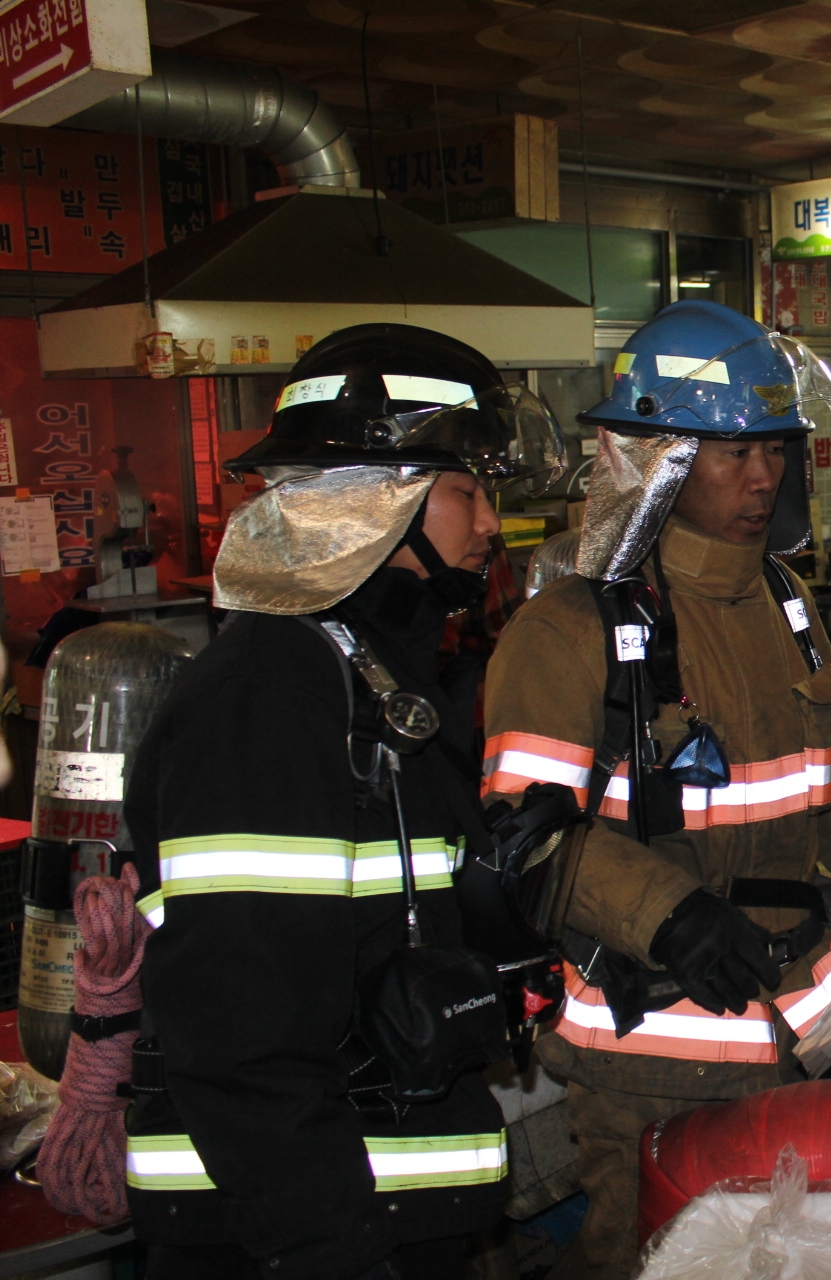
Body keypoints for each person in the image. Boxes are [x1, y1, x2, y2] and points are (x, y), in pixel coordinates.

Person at [482, 300, 831, 1280]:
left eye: (774, 448)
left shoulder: (785, 600)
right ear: (659, 459)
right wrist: (670, 913)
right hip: (647, 1058)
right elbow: (525, 837)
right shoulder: (568, 630)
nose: (763, 476)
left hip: (794, 1038)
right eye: (731, 452)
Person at [122, 325, 569, 1279]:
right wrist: (334, 1253)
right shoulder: (270, 698)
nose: (492, 524)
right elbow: (240, 1031)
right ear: (376, 498)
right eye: (466, 492)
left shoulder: (364, 676)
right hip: (292, 1238)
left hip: (377, 1212)